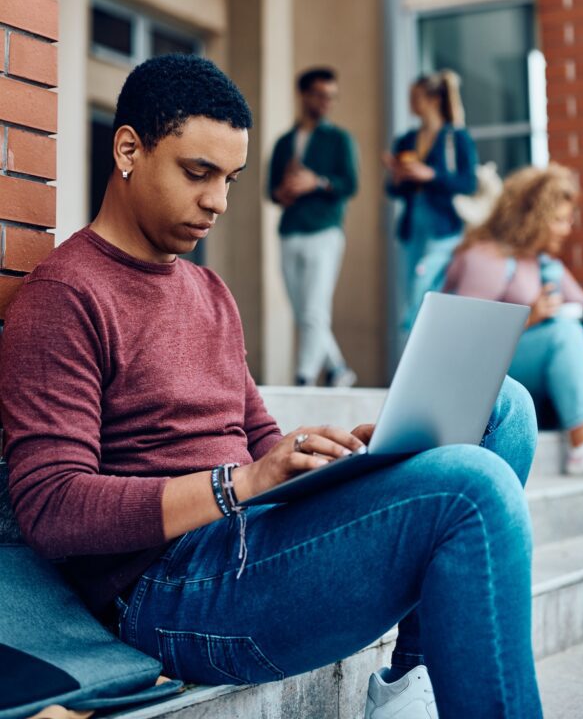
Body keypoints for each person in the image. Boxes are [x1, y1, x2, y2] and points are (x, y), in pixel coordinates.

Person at [0, 55, 543, 719]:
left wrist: (337, 454)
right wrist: (239, 485)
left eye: (230, 179)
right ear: (128, 150)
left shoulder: (208, 290)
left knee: (502, 405)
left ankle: (410, 683)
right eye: (198, 173)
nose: (219, 202)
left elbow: (258, 439)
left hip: (253, 535)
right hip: (167, 590)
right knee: (473, 488)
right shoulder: (64, 295)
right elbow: (51, 509)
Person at [444, 163, 583, 478]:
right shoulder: (487, 257)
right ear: (531, 217)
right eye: (559, 219)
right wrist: (530, 317)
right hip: (487, 375)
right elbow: (462, 335)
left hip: (531, 369)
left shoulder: (542, 260)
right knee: (563, 333)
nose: (567, 228)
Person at [268, 67, 358, 387]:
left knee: (314, 310)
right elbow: (271, 191)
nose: (326, 103)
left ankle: (304, 377)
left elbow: (350, 184)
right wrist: (285, 191)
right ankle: (338, 369)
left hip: (324, 231)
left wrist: (315, 182)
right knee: (305, 312)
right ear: (303, 95)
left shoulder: (339, 139)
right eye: (320, 95)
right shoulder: (284, 142)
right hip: (290, 230)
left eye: (331, 97)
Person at [383, 70, 477, 333]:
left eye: (416, 97)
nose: (411, 102)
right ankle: (417, 347)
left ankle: (424, 342)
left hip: (444, 229)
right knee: (411, 293)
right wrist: (399, 176)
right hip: (412, 230)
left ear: (434, 99)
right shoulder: (406, 140)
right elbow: (392, 190)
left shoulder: (456, 138)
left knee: (426, 293)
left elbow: (469, 183)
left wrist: (431, 174)